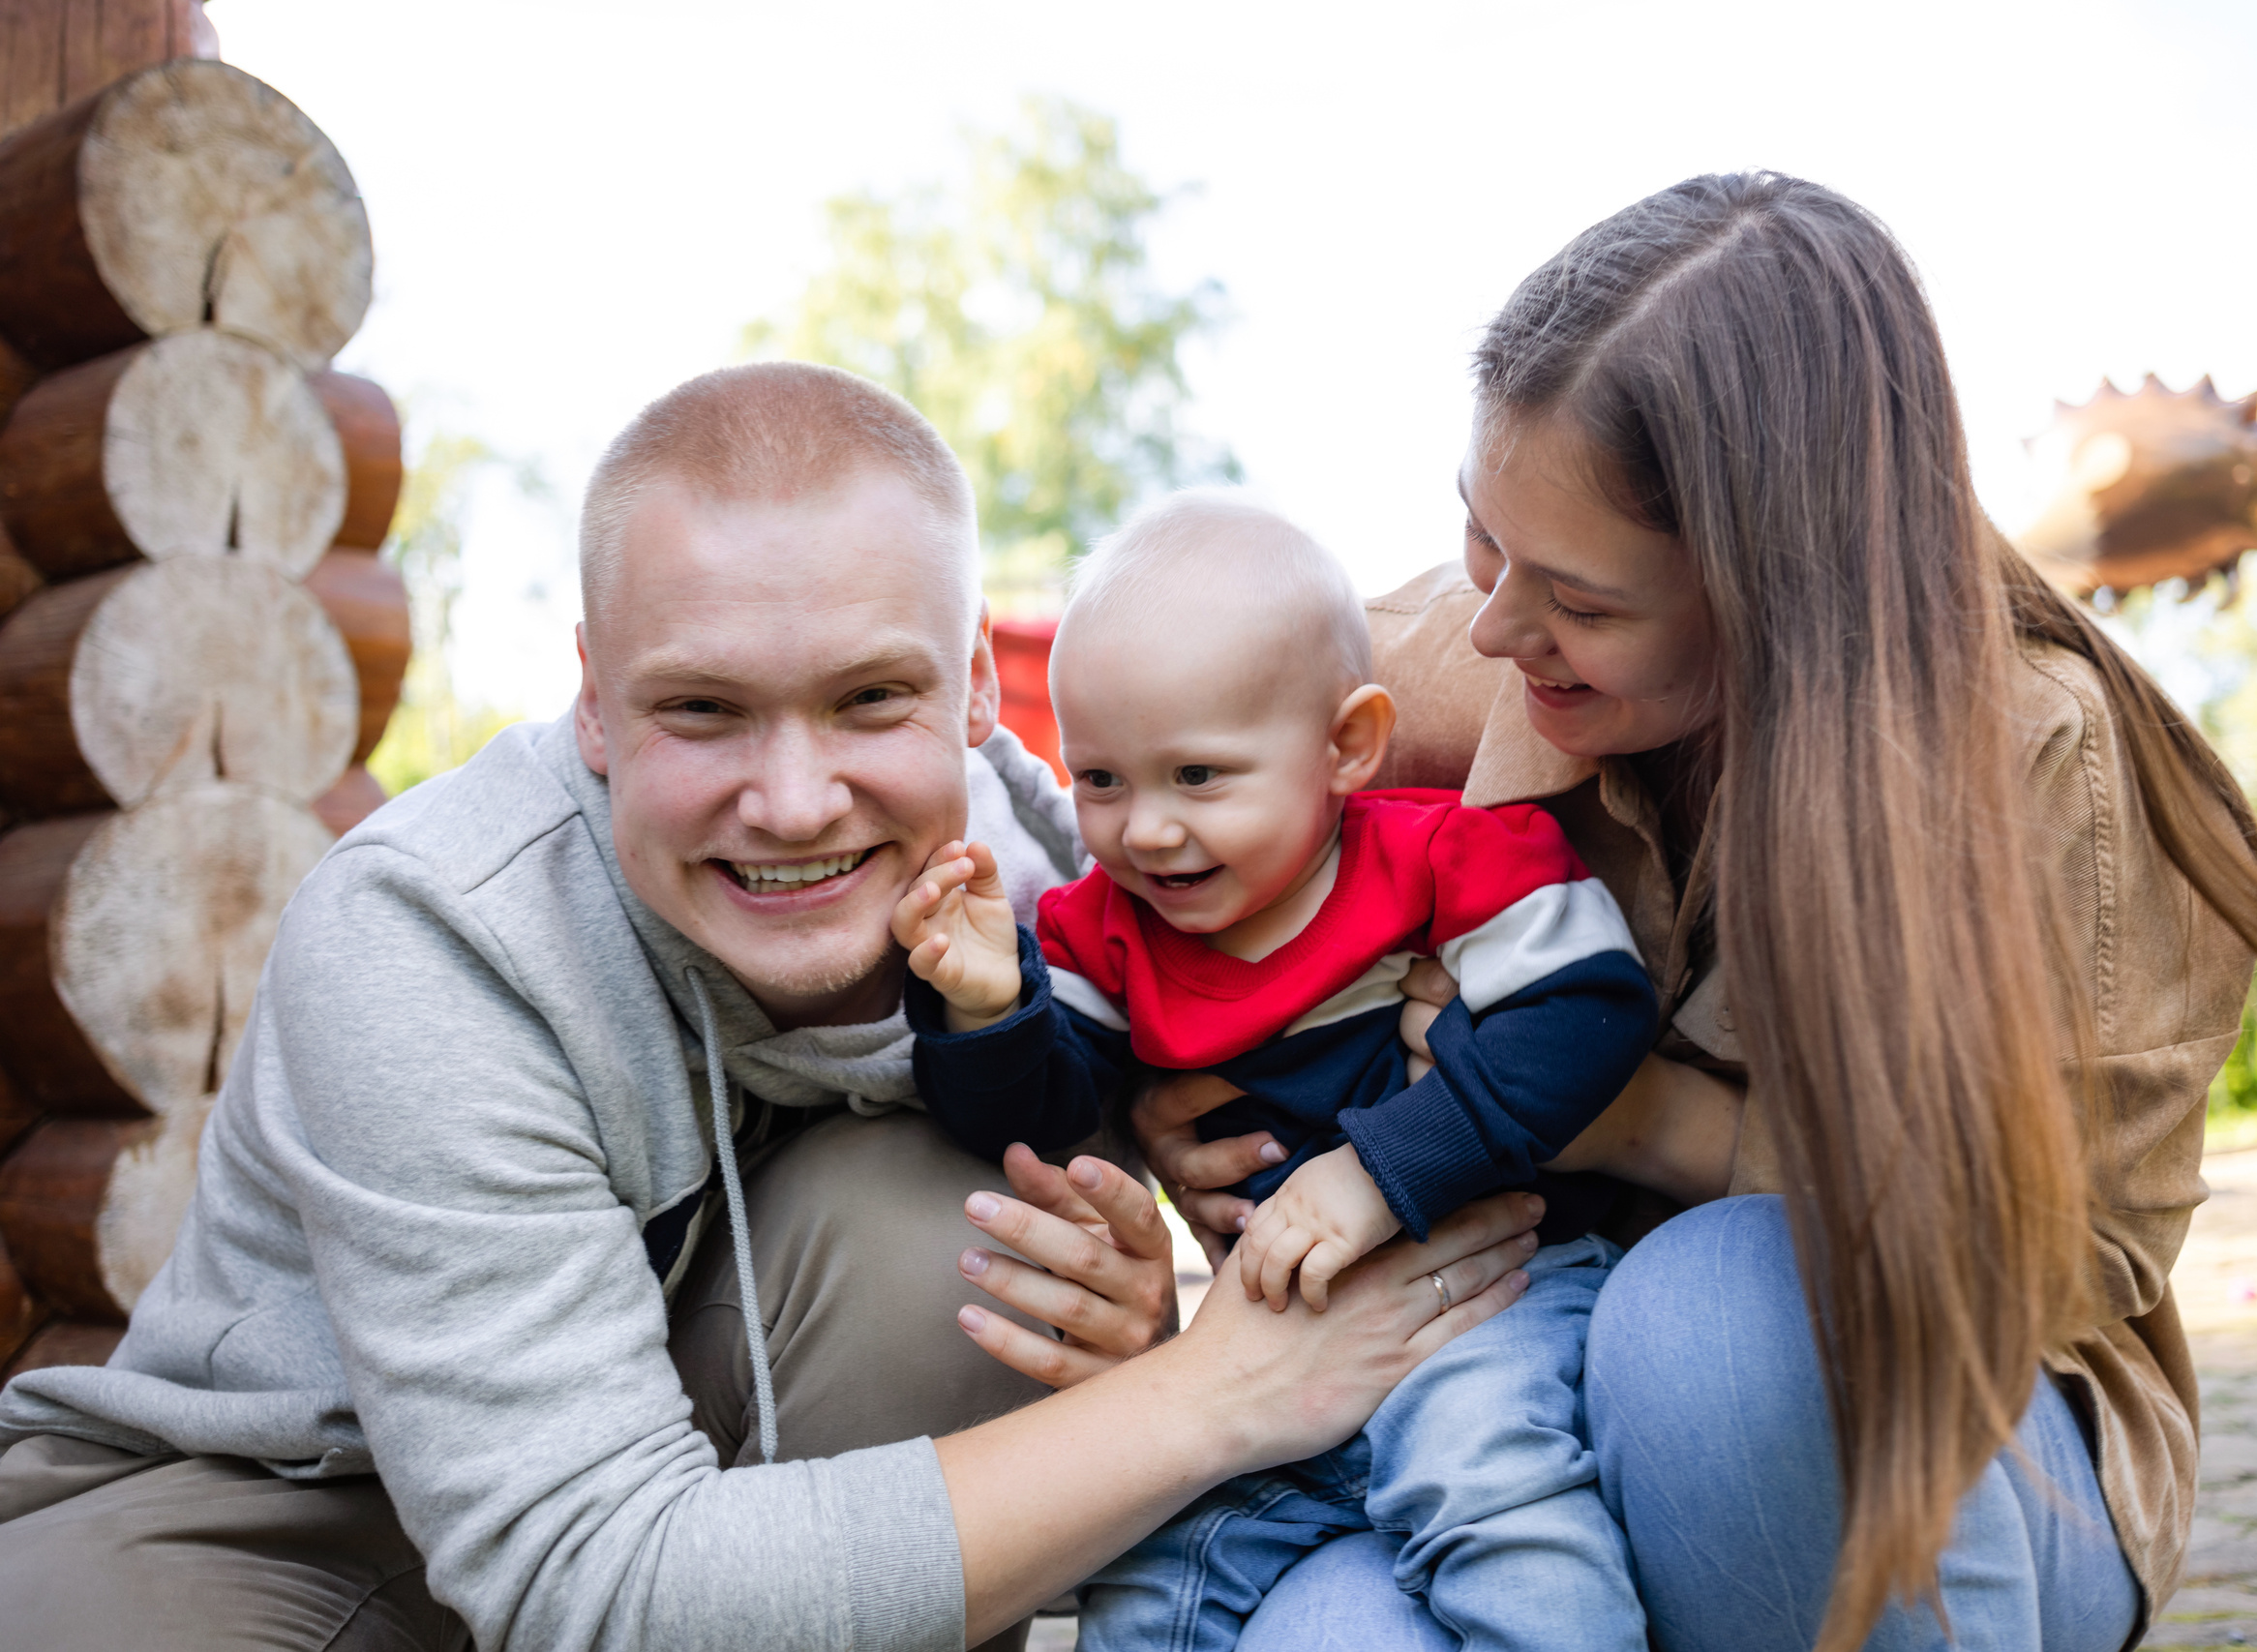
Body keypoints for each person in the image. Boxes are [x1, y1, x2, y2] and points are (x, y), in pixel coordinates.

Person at [0, 363, 1543, 1652]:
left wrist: (1147, 1192)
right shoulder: (430, 932)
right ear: (596, 700)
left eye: (872, 697)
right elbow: (582, 1572)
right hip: (281, 1507)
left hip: (721, 1429)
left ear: (974, 697)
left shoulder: (1078, 869)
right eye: (703, 707)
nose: (795, 803)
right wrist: (1212, 1395)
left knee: (966, 1223)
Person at [1142, 174, 2257, 1652]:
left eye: (1582, 602)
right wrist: (1160, 1090)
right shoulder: (1433, 678)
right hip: (1514, 1399)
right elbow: (1139, 820)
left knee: (1708, 1324)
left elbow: (2075, 1248)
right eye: (1482, 539)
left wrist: (1648, 1120)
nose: (1495, 626)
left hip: (1895, 1438)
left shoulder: (2047, 761)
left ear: (1777, 587)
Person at [895, 492, 1656, 1651]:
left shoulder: (1443, 859)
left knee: (1483, 1482)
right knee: (1150, 1570)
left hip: (1488, 1294)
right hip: (1271, 1351)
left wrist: (1375, 1173)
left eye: (1197, 777)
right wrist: (987, 1011)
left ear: (1345, 745)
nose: (1145, 829)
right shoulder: (1106, 930)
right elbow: (1047, 1121)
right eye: (1101, 780)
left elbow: (1589, 1017)